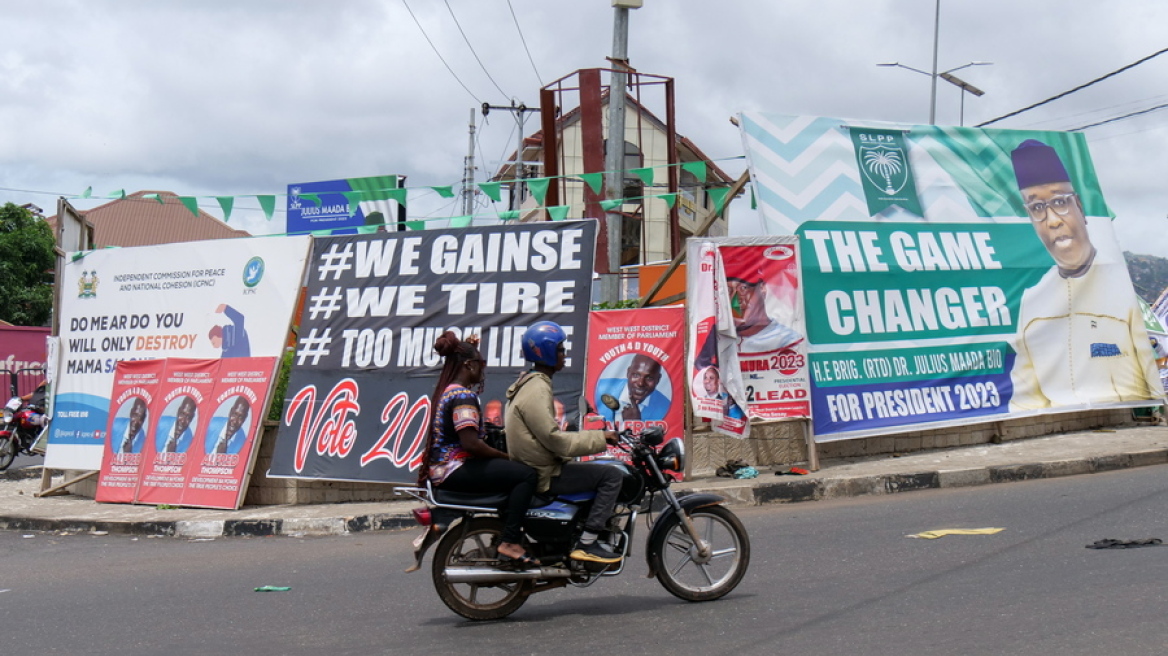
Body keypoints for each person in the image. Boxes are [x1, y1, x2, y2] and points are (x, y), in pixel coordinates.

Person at [1008, 139, 1161, 410]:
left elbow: (1154, 383)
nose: (1053, 220)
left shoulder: (1122, 291)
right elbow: (1026, 399)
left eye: (1059, 202)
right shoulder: (1031, 304)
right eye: (1037, 208)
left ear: (1079, 205)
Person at [506, 321, 623, 564]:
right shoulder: (537, 388)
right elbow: (553, 439)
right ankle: (588, 542)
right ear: (546, 352)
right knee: (611, 476)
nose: (564, 355)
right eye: (560, 350)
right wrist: (601, 438)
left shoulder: (531, 383)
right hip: (545, 472)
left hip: (540, 465)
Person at [419, 331, 538, 567]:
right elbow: (472, 445)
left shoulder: (448, 392)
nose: (482, 371)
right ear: (469, 365)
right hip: (454, 469)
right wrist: (509, 457)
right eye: (481, 365)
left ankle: (504, 530)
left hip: (445, 469)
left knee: (511, 472)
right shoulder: (463, 396)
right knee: (526, 474)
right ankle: (510, 541)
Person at [727, 275, 802, 354]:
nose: (735, 301)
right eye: (728, 290)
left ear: (762, 288)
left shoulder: (788, 341)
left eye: (744, 288)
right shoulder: (719, 342)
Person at [594, 353, 671, 423]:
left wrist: (635, 424)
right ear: (628, 373)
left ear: (658, 379)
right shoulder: (599, 389)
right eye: (636, 375)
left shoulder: (665, 408)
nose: (640, 383)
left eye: (649, 378)